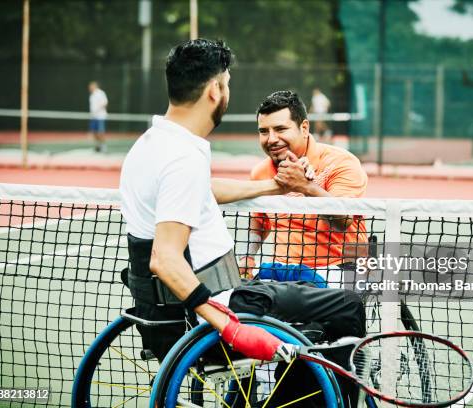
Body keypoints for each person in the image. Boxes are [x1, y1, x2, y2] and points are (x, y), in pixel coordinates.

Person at [119, 40, 366, 402]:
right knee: (348, 305)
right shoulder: (183, 158)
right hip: (225, 305)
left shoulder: (148, 147)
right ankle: (331, 399)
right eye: (228, 84)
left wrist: (274, 185)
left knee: (301, 287)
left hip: (164, 315)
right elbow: (165, 258)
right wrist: (231, 328)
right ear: (215, 90)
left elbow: (200, 190)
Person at [239, 90, 369, 288]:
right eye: (264, 131)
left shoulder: (342, 163)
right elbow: (259, 222)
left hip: (339, 271)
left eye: (280, 129)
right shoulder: (260, 172)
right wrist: (247, 257)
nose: (271, 139)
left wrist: (306, 186)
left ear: (305, 128)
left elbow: (343, 221)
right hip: (281, 272)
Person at [88, 81, 108, 153]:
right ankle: (97, 146)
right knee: (94, 132)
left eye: (91, 86)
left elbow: (105, 103)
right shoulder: (92, 95)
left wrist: (97, 110)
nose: (90, 88)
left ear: (95, 86)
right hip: (93, 117)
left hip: (100, 117)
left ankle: (103, 147)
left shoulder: (100, 93)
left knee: (100, 133)